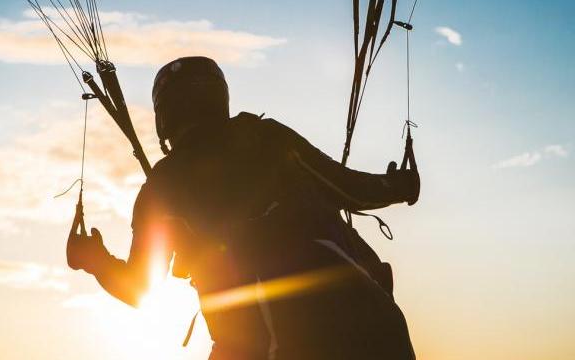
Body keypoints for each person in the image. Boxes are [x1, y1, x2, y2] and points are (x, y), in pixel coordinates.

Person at [67, 56, 420, 359]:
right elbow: (353, 190)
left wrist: (93, 259)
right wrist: (402, 185)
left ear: (164, 118)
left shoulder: (163, 186)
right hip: (379, 329)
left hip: (273, 343)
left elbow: (139, 288)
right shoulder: (266, 137)